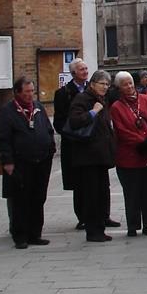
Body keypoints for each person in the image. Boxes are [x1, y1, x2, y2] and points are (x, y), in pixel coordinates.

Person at [0, 77, 55, 249]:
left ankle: (35, 233)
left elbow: (48, 130)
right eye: (26, 92)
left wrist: (50, 148)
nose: (30, 95)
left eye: (32, 91)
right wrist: (7, 161)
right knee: (21, 199)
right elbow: (3, 138)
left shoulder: (38, 107)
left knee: (38, 198)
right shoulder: (8, 111)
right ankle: (20, 236)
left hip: (42, 160)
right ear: (18, 92)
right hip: (20, 162)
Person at [54, 58, 104, 230]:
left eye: (86, 68)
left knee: (101, 181)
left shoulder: (95, 89)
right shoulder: (64, 93)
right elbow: (60, 122)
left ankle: (103, 214)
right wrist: (73, 134)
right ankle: (83, 216)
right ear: (74, 73)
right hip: (76, 143)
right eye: (82, 69)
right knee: (80, 182)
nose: (85, 71)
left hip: (96, 142)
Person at [110, 71, 147, 238]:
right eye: (125, 84)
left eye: (131, 83)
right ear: (119, 88)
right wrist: (140, 141)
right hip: (130, 155)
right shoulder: (116, 107)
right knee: (132, 193)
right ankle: (132, 225)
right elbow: (121, 130)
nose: (130, 86)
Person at [68, 69, 117, 243]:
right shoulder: (83, 99)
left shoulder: (101, 99)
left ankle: (100, 228)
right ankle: (93, 230)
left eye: (107, 84)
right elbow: (74, 122)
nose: (105, 87)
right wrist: (93, 112)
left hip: (100, 156)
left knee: (101, 193)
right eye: (102, 84)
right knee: (91, 195)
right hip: (88, 157)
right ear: (93, 84)